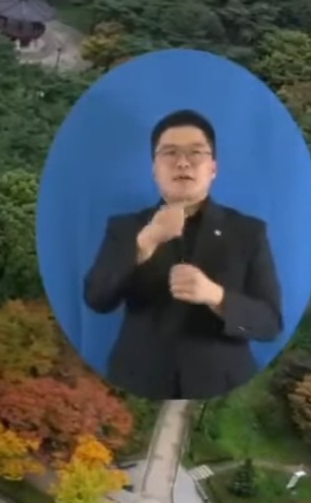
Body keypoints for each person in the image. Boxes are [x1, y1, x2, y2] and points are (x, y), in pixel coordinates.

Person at [83, 109, 284, 400]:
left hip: (223, 386)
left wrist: (216, 296)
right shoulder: (126, 227)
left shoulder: (248, 232)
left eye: (196, 153)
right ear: (154, 167)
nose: (182, 162)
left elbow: (270, 323)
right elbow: (96, 299)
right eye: (169, 153)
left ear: (213, 168)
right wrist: (144, 243)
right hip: (137, 382)